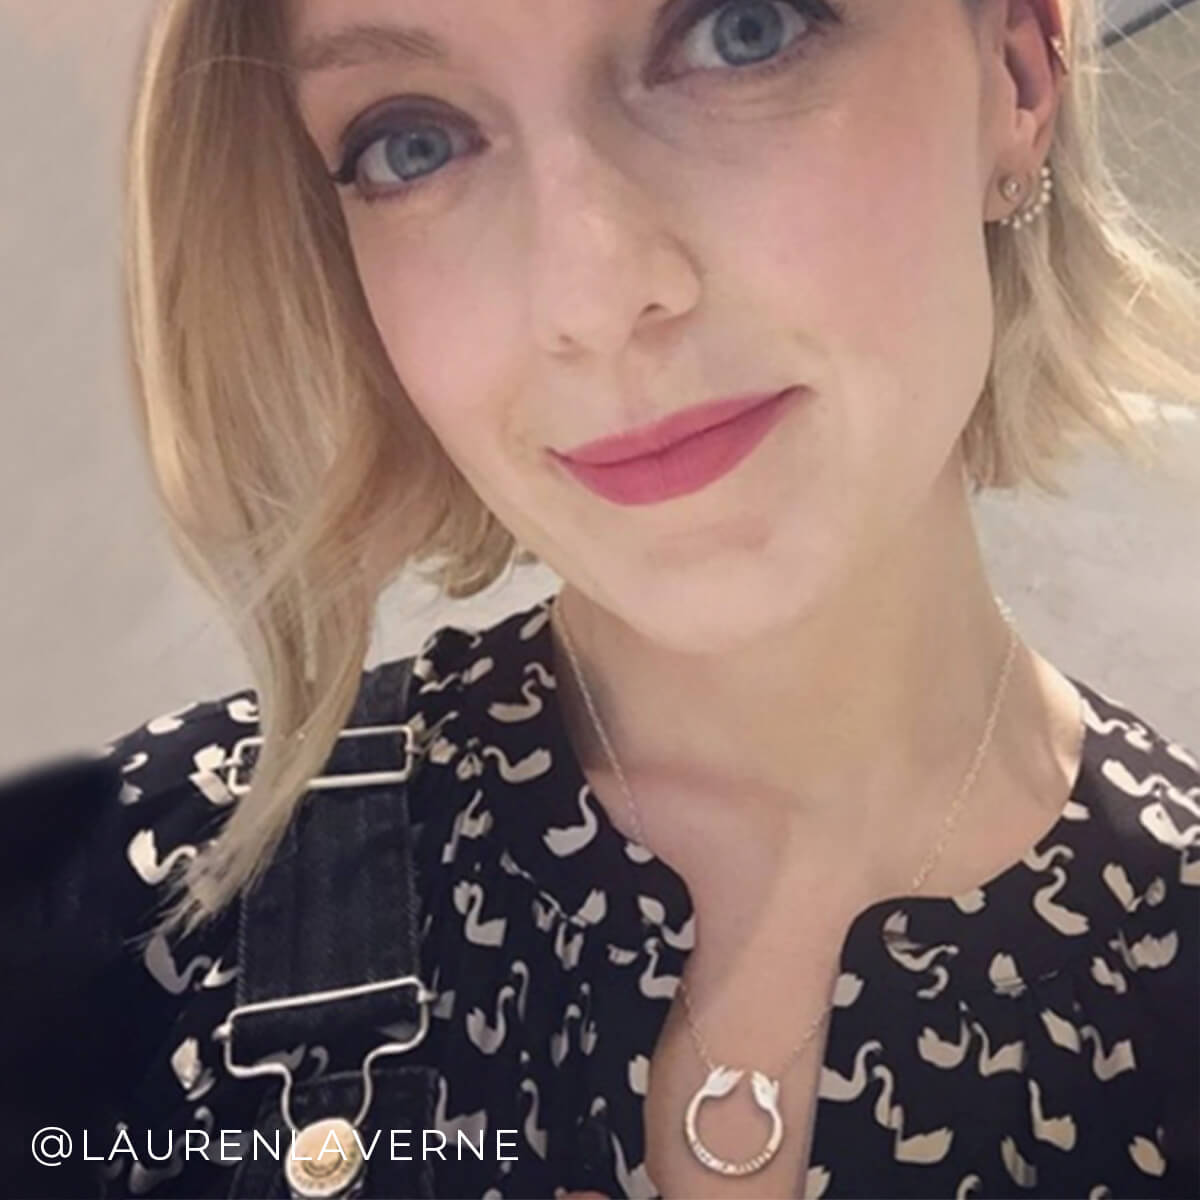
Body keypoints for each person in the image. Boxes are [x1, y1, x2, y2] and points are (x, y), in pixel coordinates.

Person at [3, 0, 1198, 1196]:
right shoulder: (121, 904)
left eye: (743, 30)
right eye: (412, 144)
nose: (587, 297)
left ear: (1016, 73)